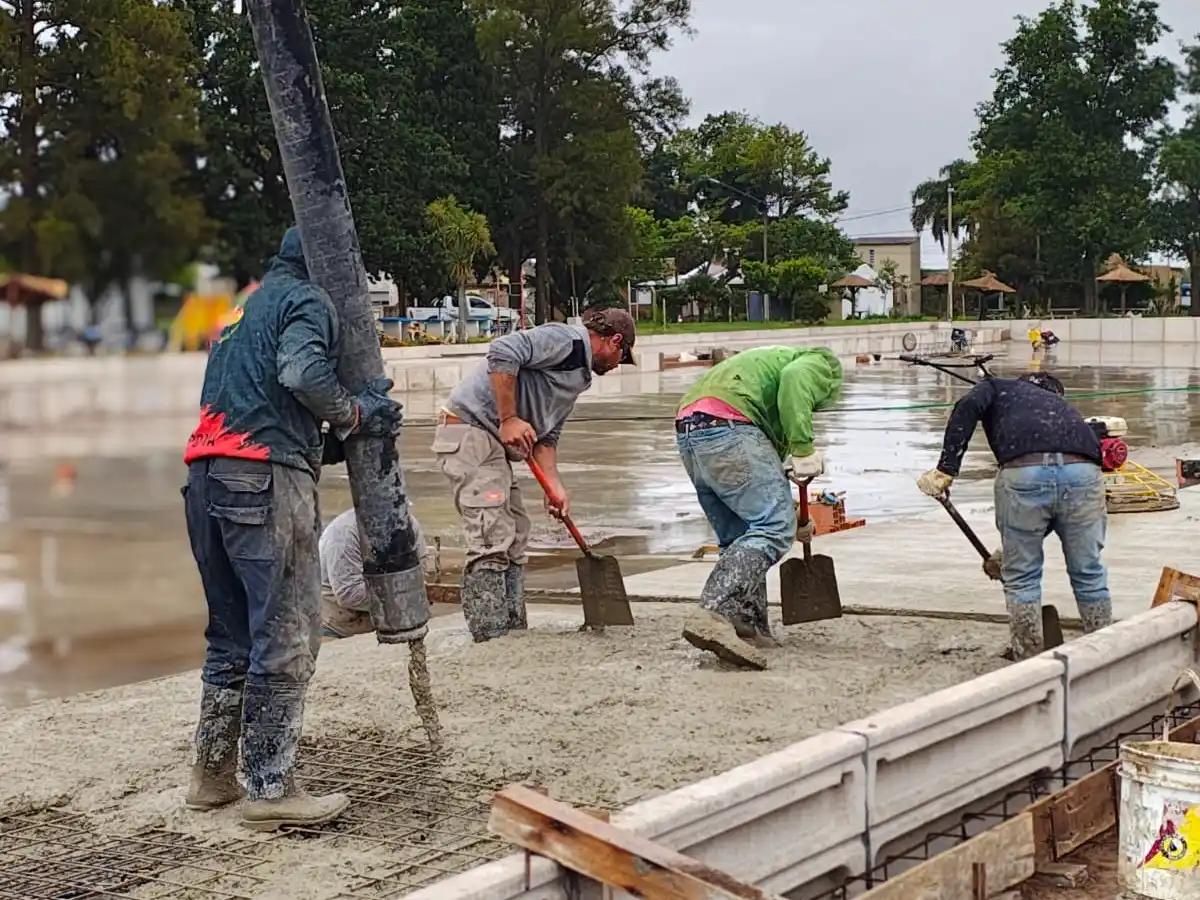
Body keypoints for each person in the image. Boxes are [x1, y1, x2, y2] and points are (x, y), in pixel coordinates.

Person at [181, 227, 403, 830]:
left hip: (208, 478)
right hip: (262, 483)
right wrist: (356, 412)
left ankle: (211, 777)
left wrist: (334, 439)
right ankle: (270, 789)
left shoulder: (245, 304)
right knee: (287, 633)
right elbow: (302, 373)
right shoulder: (308, 300)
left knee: (230, 637)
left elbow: (264, 405)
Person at [432, 307, 636, 643]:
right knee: (490, 533)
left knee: (516, 532)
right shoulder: (567, 339)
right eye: (622, 357)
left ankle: (513, 632)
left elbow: (547, 436)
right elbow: (503, 351)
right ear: (615, 340)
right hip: (470, 431)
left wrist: (554, 485)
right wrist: (509, 418)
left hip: (490, 443)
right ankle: (490, 635)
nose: (616, 366)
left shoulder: (577, 375)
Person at [917, 371, 1112, 660]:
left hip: (1024, 473)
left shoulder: (996, 387)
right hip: (1083, 472)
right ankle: (1106, 653)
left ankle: (1028, 657)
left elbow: (965, 407)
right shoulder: (1060, 408)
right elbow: (1057, 499)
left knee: (1022, 578)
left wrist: (946, 468)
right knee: (1089, 572)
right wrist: (1005, 554)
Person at [674, 346, 844, 669]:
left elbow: (754, 481)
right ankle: (714, 610)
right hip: (729, 423)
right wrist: (804, 449)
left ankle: (746, 626)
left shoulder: (759, 381)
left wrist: (793, 512)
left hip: (690, 429)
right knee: (773, 528)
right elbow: (796, 380)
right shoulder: (823, 364)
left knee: (742, 534)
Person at [320, 505, 436, 639]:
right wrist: (401, 600)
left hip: (387, 617)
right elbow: (349, 594)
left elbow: (420, 569)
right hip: (340, 625)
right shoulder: (344, 535)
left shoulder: (408, 524)